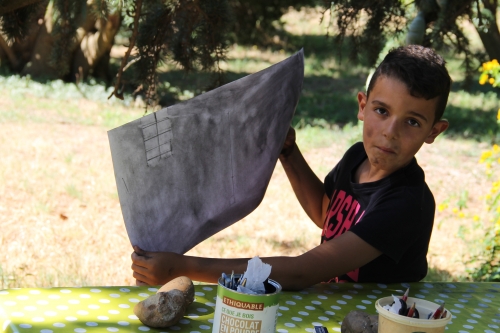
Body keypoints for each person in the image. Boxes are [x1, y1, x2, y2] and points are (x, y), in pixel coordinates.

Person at [131, 45, 451, 290]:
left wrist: (183, 268)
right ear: (363, 106)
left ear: (433, 131)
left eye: (412, 121)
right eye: (382, 110)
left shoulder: (406, 204)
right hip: (336, 309)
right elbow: (328, 216)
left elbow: (303, 272)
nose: (390, 131)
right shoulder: (358, 157)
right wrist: (289, 152)